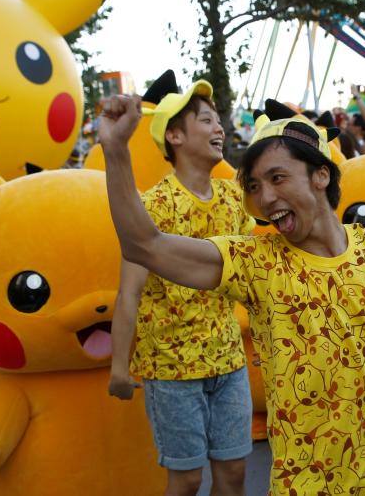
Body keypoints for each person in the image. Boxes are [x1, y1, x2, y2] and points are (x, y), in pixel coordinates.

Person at [98, 95, 365, 496]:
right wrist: (116, 151)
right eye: (254, 187)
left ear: (321, 174)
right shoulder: (255, 262)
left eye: (277, 178)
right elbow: (145, 245)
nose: (264, 198)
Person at [107, 81, 255, 496]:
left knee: (233, 474)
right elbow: (129, 292)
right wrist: (120, 367)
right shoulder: (152, 206)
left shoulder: (234, 199)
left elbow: (252, 277)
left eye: (219, 120)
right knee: (187, 480)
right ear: (174, 135)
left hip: (229, 364)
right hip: (171, 369)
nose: (220, 128)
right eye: (206, 120)